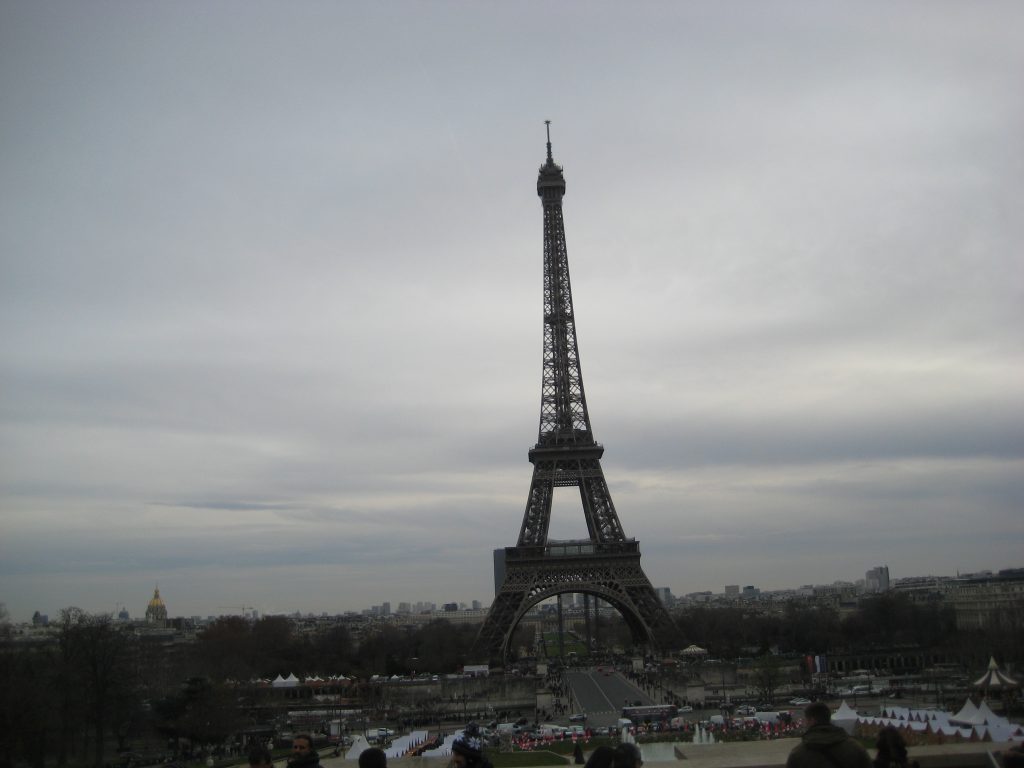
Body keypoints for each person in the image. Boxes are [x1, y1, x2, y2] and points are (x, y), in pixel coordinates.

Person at [787, 702, 871, 768]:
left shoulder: (797, 754)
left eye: (806, 720)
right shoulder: (855, 748)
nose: (805, 723)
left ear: (812, 720)